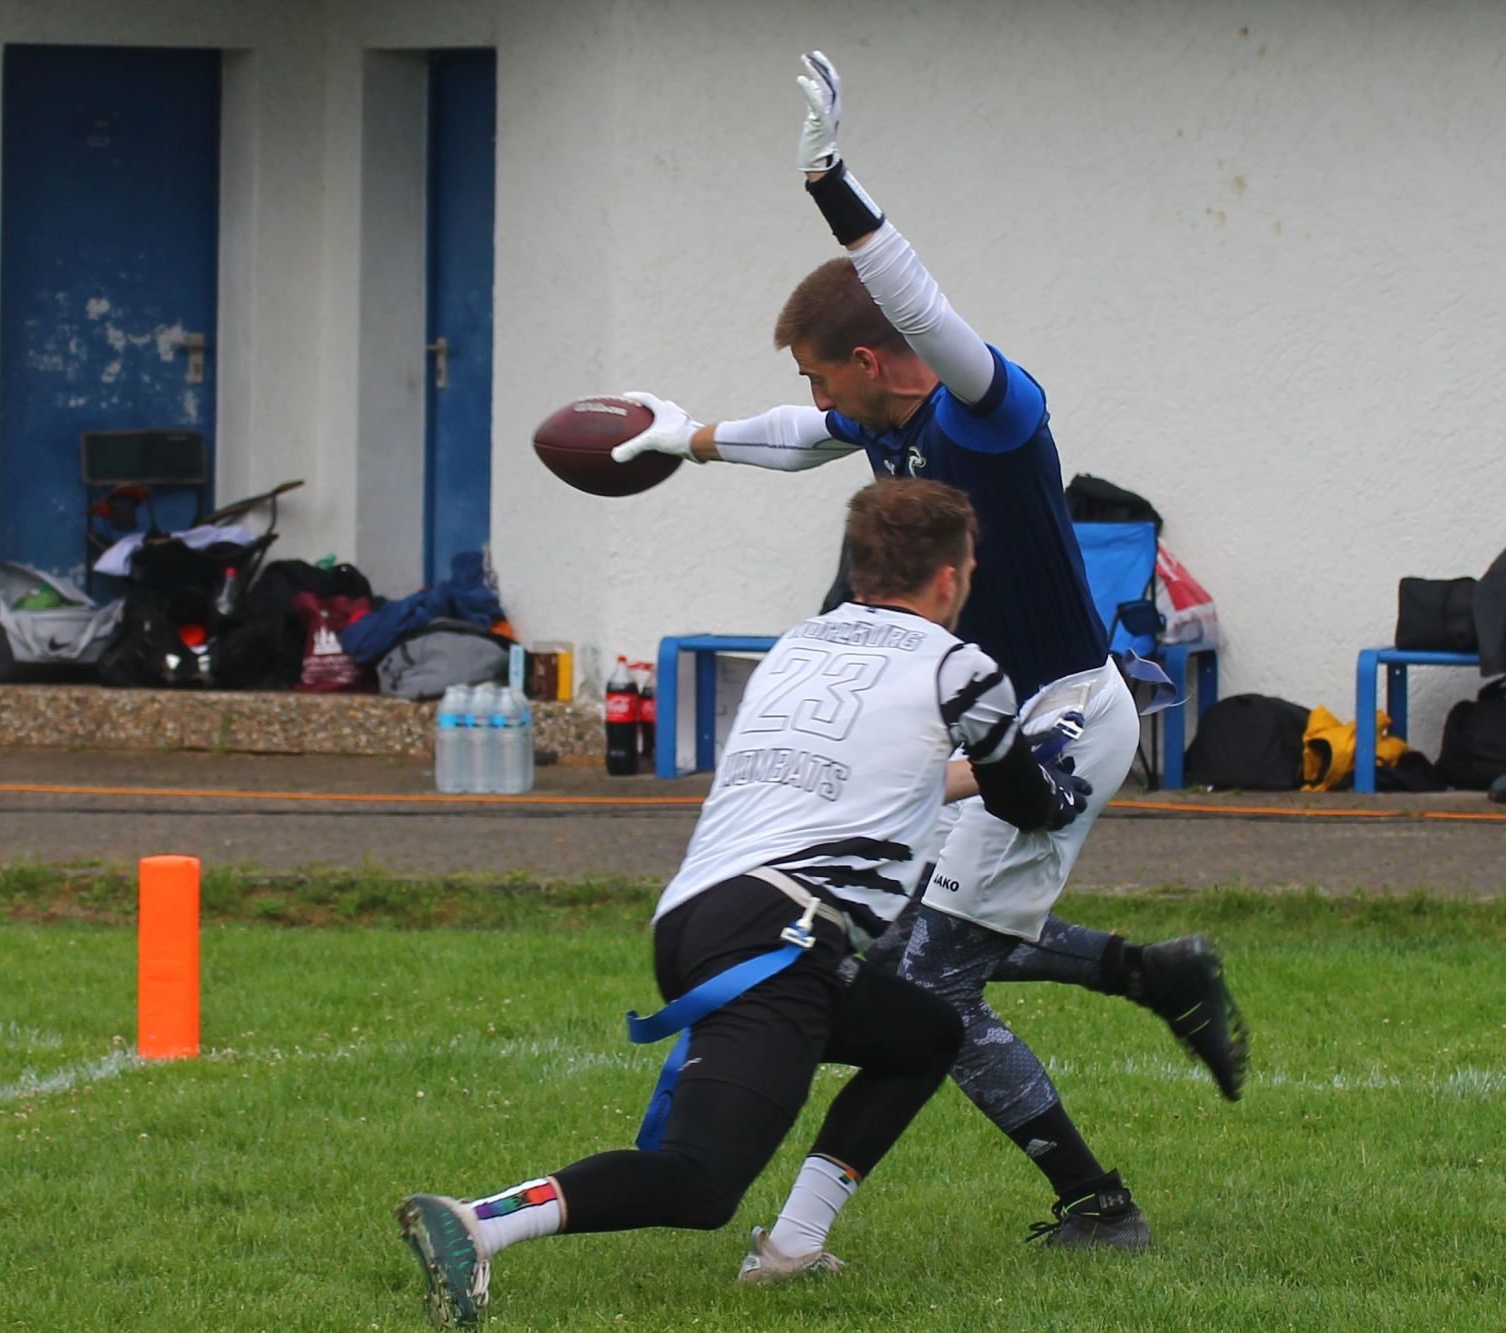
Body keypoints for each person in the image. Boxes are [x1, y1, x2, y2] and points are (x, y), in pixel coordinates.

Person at [611, 50, 1249, 1253]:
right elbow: (799, 434)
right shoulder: (881, 424)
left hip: (1058, 714)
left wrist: (830, 185)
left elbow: (925, 312)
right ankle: (1151, 977)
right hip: (986, 710)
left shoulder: (991, 416)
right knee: (916, 938)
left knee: (928, 988)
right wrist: (684, 438)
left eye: (822, 371)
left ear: (870, 360)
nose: (816, 394)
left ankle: (1078, 1205)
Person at [396, 479, 1093, 1326]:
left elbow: (883, 778)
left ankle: (794, 1245)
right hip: (780, 936)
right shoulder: (961, 668)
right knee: (700, 1181)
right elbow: (1026, 802)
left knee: (924, 1034)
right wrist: (1052, 774)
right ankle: (478, 1222)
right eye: (971, 566)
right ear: (950, 577)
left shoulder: (800, 643)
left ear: (859, 566)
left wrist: (999, 768)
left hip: (704, 913)